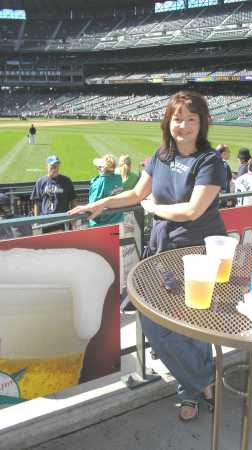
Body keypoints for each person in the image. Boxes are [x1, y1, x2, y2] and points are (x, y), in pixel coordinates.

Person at [69, 91, 227, 421]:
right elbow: (137, 193)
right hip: (163, 250)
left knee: (189, 324)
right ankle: (202, 379)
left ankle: (190, 389)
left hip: (197, 250)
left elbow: (193, 210)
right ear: (168, 122)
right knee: (153, 321)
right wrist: (102, 204)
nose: (183, 125)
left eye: (191, 119)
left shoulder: (210, 161)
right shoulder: (161, 155)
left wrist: (154, 208)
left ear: (202, 123)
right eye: (177, 118)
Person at [31, 155, 76, 232]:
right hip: (47, 221)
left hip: (63, 220)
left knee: (65, 242)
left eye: (57, 166)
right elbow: (37, 202)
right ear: (47, 167)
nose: (55, 169)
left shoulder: (66, 181)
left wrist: (74, 218)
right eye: (52, 166)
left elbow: (72, 200)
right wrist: (36, 220)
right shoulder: (40, 182)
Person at [89, 154, 123, 227]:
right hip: (118, 221)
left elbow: (92, 206)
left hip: (101, 225)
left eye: (99, 167)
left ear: (103, 168)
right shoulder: (119, 178)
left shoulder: (99, 182)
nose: (98, 168)